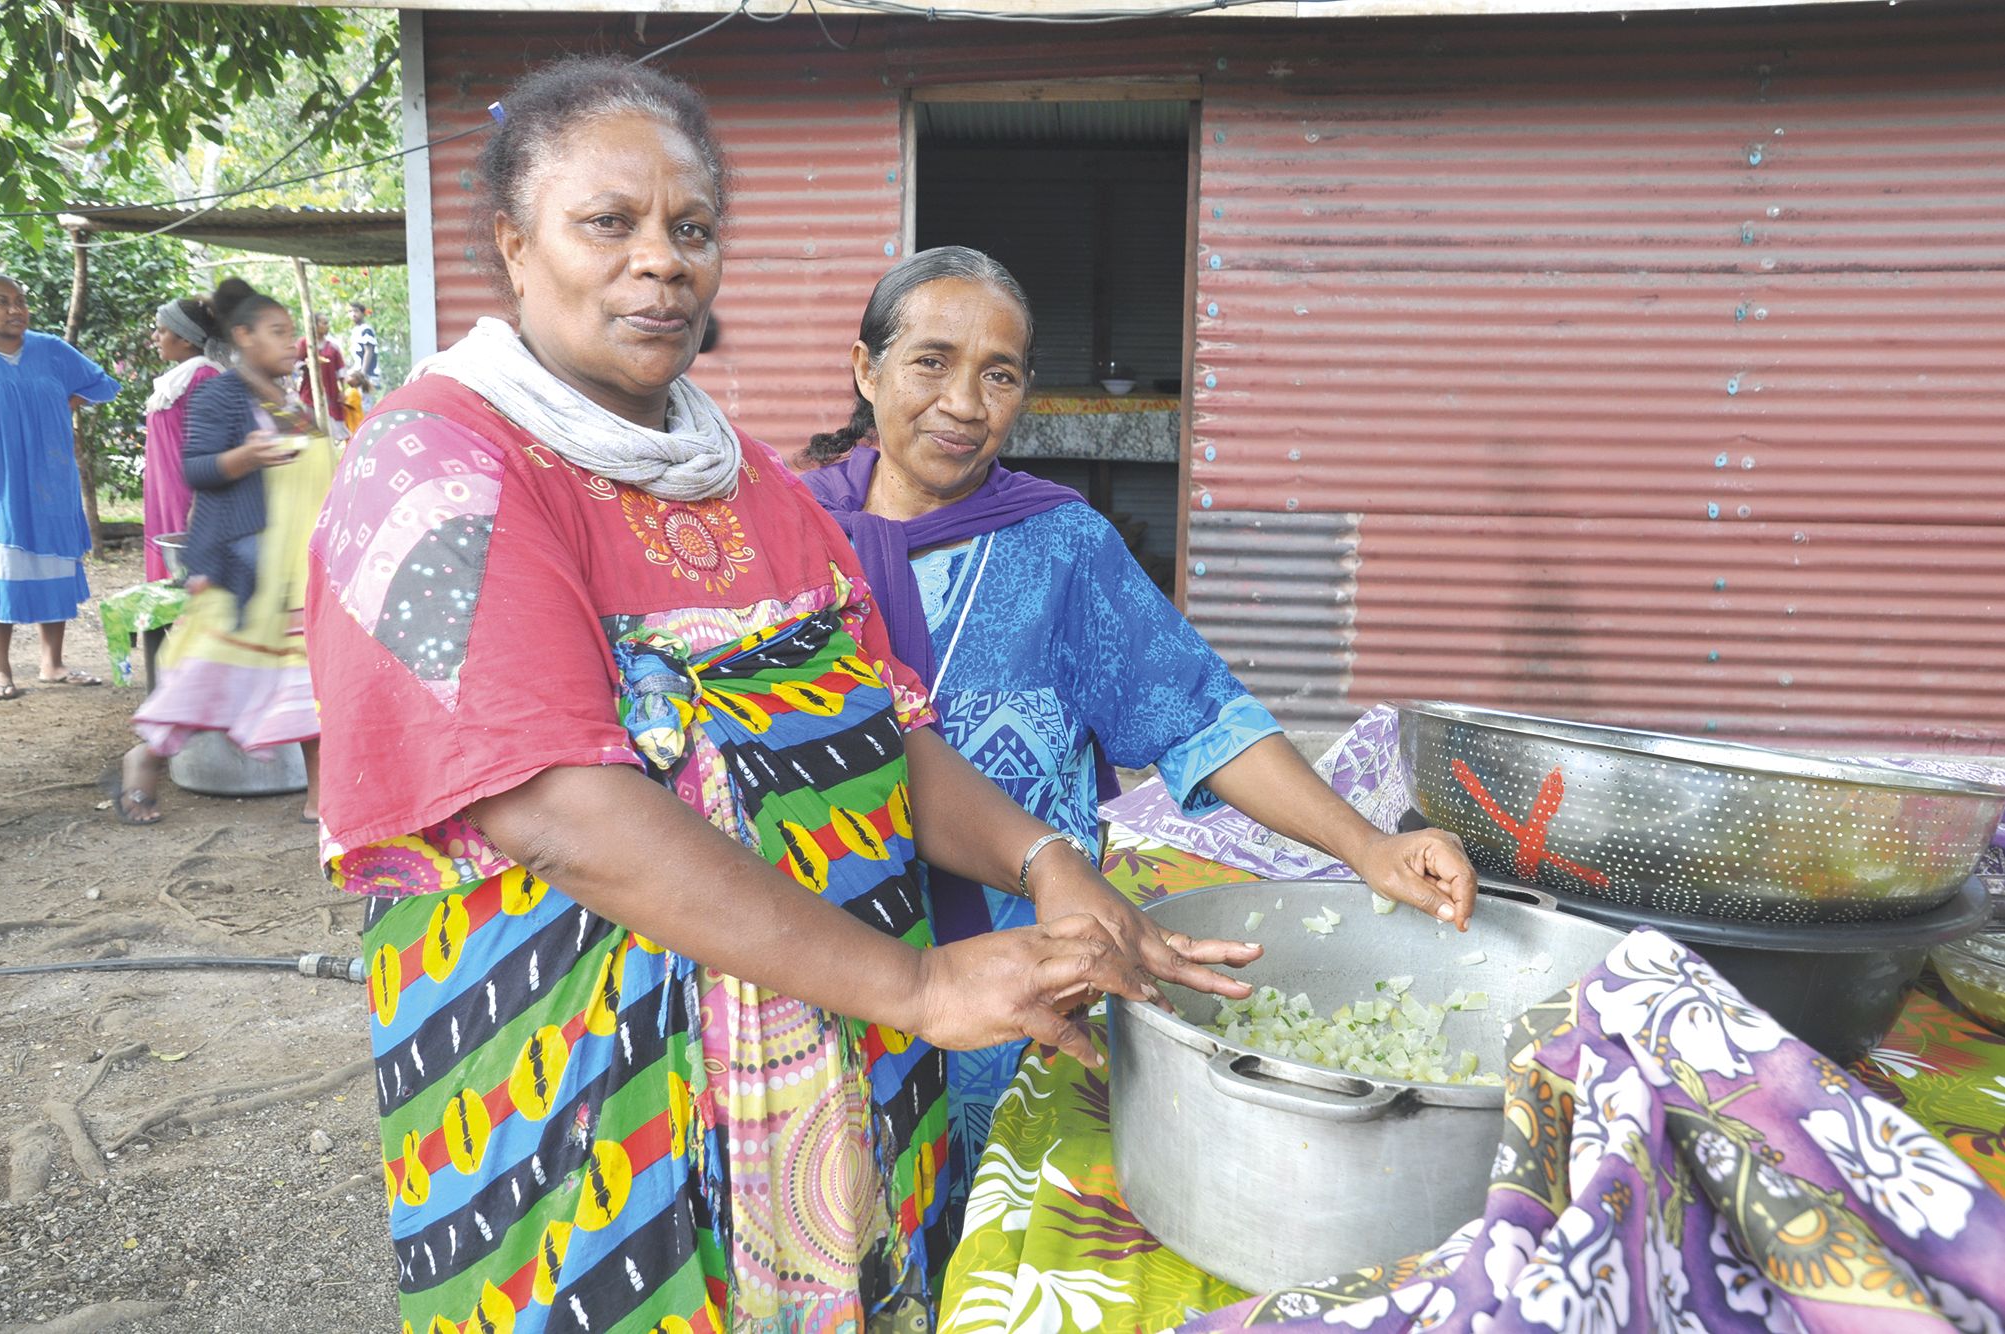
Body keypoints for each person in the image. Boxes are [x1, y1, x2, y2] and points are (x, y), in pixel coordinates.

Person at [303, 60, 1255, 1334]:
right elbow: (559, 807)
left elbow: (888, 728)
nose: (663, 262)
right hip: (597, 1097)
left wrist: (1039, 857)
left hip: (839, 1060)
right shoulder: (432, 463)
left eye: (691, 229)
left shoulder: (743, 479)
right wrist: (917, 988)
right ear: (512, 246)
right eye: (611, 222)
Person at [799, 246, 1483, 1219]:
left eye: (998, 374)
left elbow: (1201, 714)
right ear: (866, 369)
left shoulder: (1062, 548)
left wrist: (1365, 844)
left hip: (1028, 996)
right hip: (830, 984)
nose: (963, 400)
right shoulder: (784, 542)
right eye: (930, 361)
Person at [108, 278, 332, 825]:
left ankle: (322, 802)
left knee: (309, 686)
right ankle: (144, 757)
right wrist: (245, 458)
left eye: (291, 333)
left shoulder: (290, 401)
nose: (291, 343)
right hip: (240, 567)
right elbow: (196, 469)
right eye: (277, 333)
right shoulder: (220, 394)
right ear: (243, 337)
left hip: (295, 573)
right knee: (209, 681)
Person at [0, 272, 119, 698]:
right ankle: (1, 671)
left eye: (20, 301)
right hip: (1, 484)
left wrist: (56, 405)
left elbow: (99, 384)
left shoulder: (50, 350)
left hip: (50, 478)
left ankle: (52, 663)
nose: (15, 309)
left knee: (52, 561)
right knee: (3, 567)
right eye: (2, 301)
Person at [141, 296, 224, 582]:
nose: (155, 337)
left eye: (161, 330)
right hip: (165, 494)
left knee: (190, 581)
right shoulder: (181, 377)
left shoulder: (205, 376)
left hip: (189, 499)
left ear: (186, 339)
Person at [294, 311, 345, 436]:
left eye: (327, 323)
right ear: (314, 325)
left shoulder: (333, 347)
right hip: (309, 392)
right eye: (324, 323)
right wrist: (306, 364)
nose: (327, 326)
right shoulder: (304, 343)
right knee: (311, 426)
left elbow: (340, 371)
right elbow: (295, 363)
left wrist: (342, 391)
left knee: (330, 427)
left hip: (330, 392)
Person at [345, 298, 379, 384]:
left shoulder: (366, 330)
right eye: (350, 311)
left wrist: (363, 373)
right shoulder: (355, 331)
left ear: (363, 313)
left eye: (356, 311)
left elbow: (369, 351)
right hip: (358, 373)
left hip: (368, 375)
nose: (353, 314)